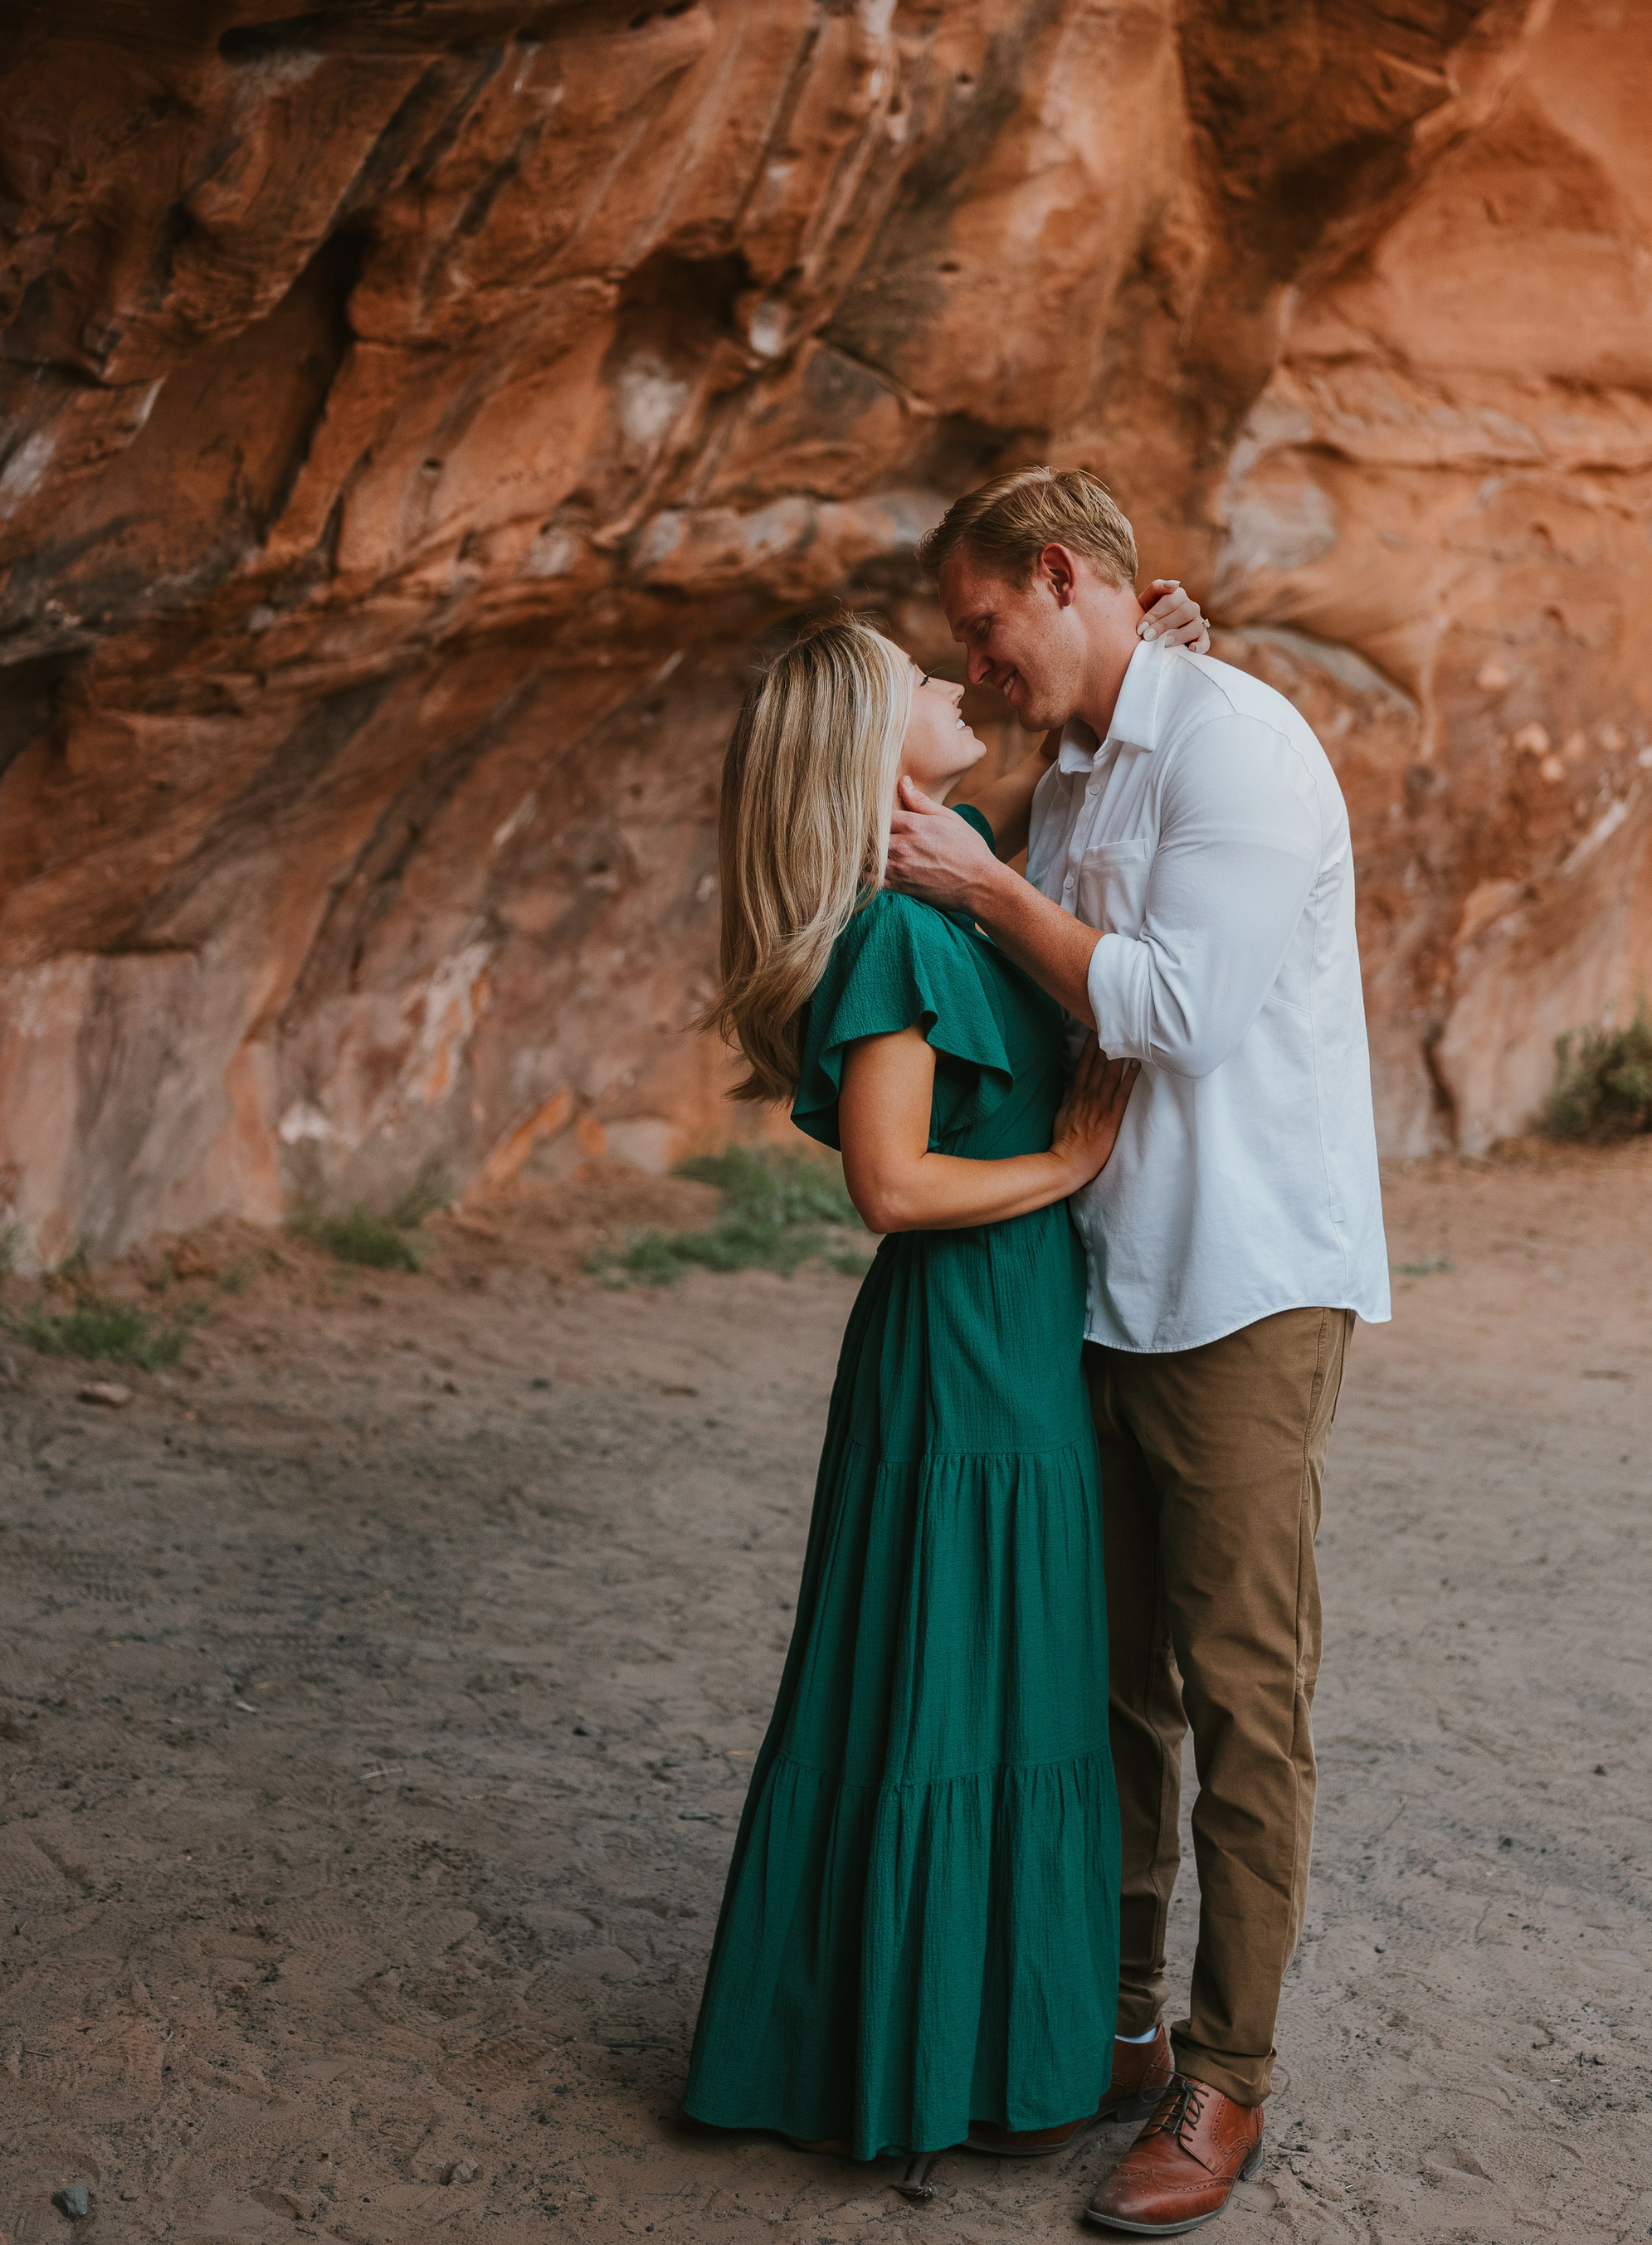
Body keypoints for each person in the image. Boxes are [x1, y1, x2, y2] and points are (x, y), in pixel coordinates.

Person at [886, 467, 1391, 2238]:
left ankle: (1223, 2077)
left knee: (1244, 1693)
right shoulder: (1087, 762)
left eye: (981, 626)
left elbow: (1173, 1009)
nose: (974, 658)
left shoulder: (1238, 750)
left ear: (1058, 577)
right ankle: (1101, 2025)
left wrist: (976, 881)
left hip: (1245, 1282)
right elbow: (1049, 993)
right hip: (1095, 1278)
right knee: (1107, 1688)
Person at [681, 582, 1211, 2160]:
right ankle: (901, 2068)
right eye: (922, 675)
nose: (952, 678)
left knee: (1002, 1694)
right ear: (873, 743)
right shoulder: (903, 934)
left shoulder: (956, 897)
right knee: (933, 1701)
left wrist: (1158, 661)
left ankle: (973, 2050)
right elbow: (892, 1188)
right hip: (959, 1355)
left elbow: (1087, 796)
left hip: (1017, 1350)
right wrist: (1062, 1166)